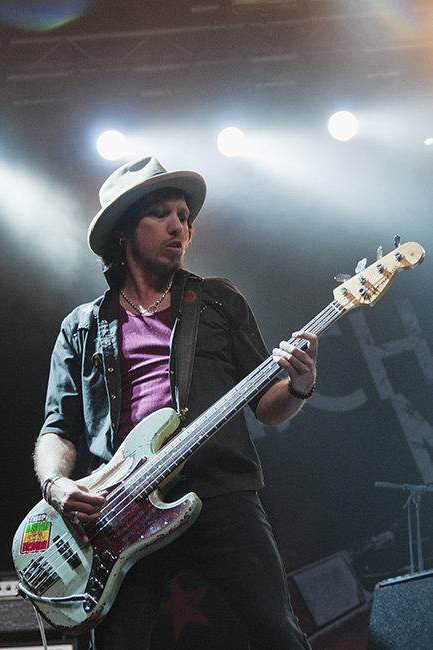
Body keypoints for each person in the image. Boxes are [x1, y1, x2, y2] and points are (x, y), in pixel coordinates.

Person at [33, 156, 318, 650]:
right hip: (120, 507)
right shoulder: (81, 326)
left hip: (220, 492)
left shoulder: (219, 301)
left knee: (278, 633)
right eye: (161, 213)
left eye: (184, 216)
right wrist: (55, 484)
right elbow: (57, 428)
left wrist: (300, 384)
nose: (178, 226)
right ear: (123, 231)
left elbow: (266, 407)